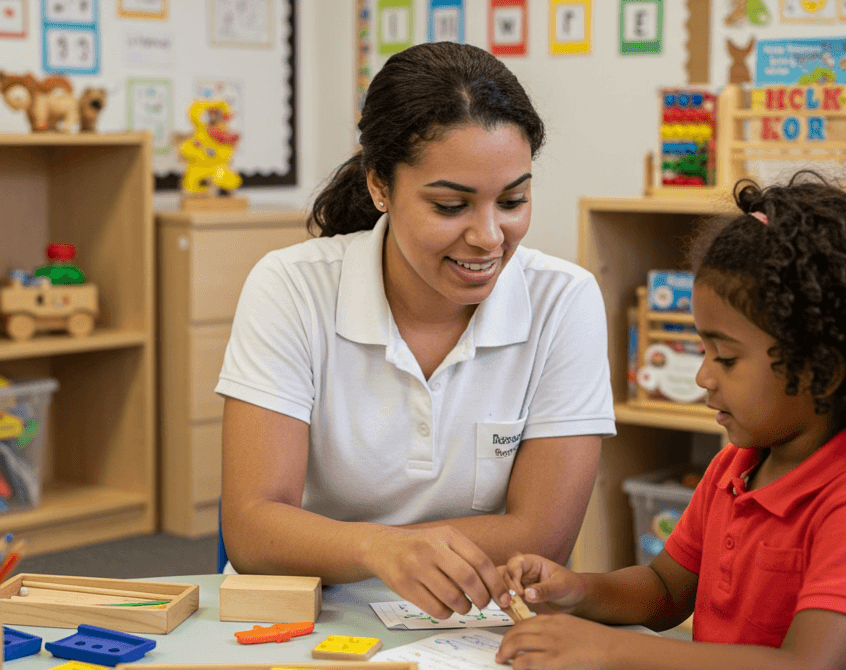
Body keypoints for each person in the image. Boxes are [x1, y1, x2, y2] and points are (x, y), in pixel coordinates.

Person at [496, 175, 846, 670]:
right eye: (703, 350)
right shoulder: (735, 467)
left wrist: (608, 650)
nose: (704, 377)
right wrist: (576, 590)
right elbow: (664, 591)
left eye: (727, 357)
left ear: (825, 369)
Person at [216, 41, 615, 620]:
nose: (489, 236)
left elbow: (544, 538)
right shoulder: (291, 286)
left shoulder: (563, 300)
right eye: (451, 206)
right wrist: (381, 549)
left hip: (473, 622)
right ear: (381, 186)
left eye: (513, 200)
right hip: (308, 609)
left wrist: (354, 542)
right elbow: (253, 529)